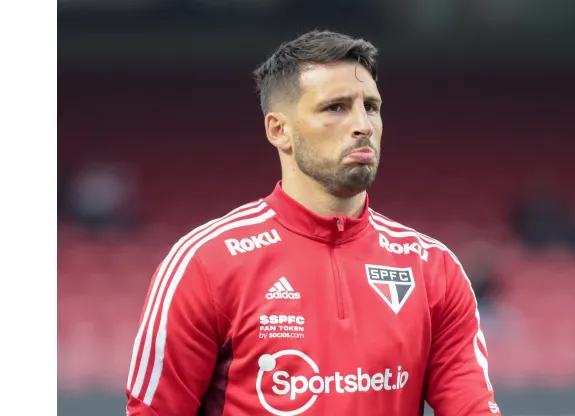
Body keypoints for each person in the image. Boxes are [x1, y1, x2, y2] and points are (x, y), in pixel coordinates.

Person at [125, 30, 501, 416]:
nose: (363, 125)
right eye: (335, 107)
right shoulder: (205, 263)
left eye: (371, 106)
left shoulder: (432, 268)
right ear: (279, 130)